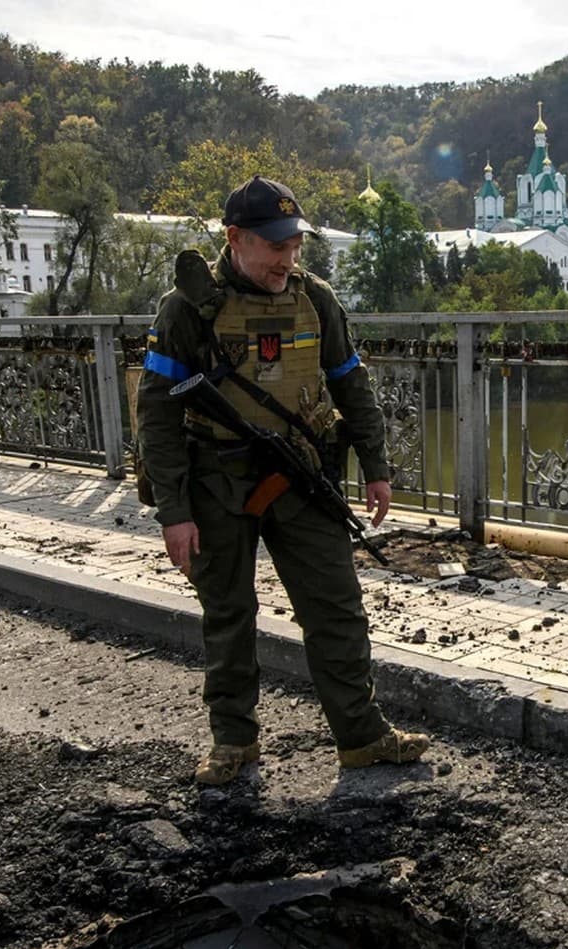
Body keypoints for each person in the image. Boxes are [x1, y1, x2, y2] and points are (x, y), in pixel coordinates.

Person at [134, 175, 428, 785]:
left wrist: (375, 466)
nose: (287, 258)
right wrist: (174, 511)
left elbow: (351, 381)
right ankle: (234, 743)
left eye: (294, 244)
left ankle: (362, 737)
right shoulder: (185, 309)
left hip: (301, 476)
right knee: (229, 613)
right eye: (274, 246)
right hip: (215, 482)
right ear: (234, 238)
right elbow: (157, 414)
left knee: (337, 608)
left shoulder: (315, 298)